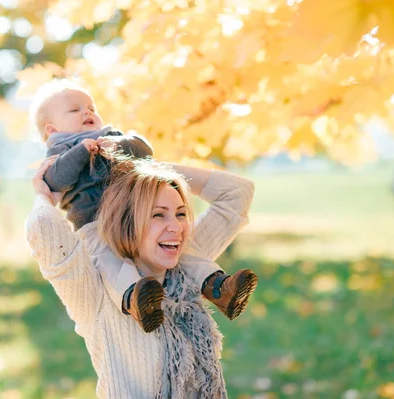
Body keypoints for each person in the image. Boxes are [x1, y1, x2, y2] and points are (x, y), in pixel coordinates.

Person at [31, 79, 257, 333]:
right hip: (95, 224)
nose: (88, 112)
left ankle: (218, 287)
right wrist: (81, 152)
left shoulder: (112, 136)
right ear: (51, 130)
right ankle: (137, 297)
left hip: (134, 219)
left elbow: (143, 148)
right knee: (110, 262)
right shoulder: (60, 152)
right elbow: (56, 180)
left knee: (187, 250)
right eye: (75, 110)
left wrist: (124, 152)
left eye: (91, 107)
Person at [26, 155, 255, 398]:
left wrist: (145, 166)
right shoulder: (98, 292)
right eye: (158, 215)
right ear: (127, 222)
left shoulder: (187, 268)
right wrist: (44, 195)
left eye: (180, 214)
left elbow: (238, 193)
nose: (176, 228)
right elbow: (43, 226)